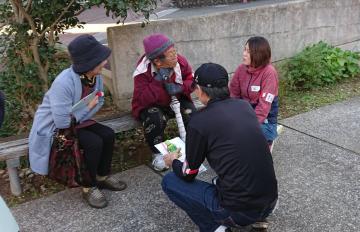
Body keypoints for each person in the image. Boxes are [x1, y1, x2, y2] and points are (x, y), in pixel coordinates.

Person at [161, 63, 278, 232]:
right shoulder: (244, 107)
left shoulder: (199, 121)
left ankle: (215, 228)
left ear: (200, 90)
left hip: (238, 212)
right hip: (270, 201)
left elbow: (189, 174)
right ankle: (258, 220)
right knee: (224, 179)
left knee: (169, 181)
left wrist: (173, 161)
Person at [28, 35, 126, 209]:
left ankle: (102, 176)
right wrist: (88, 108)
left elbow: (100, 101)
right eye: (101, 60)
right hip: (55, 128)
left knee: (108, 134)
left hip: (79, 119)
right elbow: (62, 122)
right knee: (94, 143)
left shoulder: (95, 77)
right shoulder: (63, 82)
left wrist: (86, 109)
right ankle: (89, 187)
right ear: (89, 62)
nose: (105, 62)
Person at [131, 33, 196, 171]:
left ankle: (192, 147)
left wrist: (181, 87)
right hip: (153, 106)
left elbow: (191, 80)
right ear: (157, 62)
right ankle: (158, 154)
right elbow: (142, 99)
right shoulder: (142, 72)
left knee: (192, 113)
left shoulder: (180, 62)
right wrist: (158, 81)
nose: (175, 56)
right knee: (155, 117)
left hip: (176, 99)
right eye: (170, 53)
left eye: (174, 51)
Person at [229, 36, 279, 150]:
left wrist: (245, 126)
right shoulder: (241, 69)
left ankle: (268, 140)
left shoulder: (269, 73)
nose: (244, 54)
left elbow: (263, 108)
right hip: (244, 114)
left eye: (248, 51)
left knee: (244, 137)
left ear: (259, 54)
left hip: (265, 120)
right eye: (244, 49)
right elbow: (233, 95)